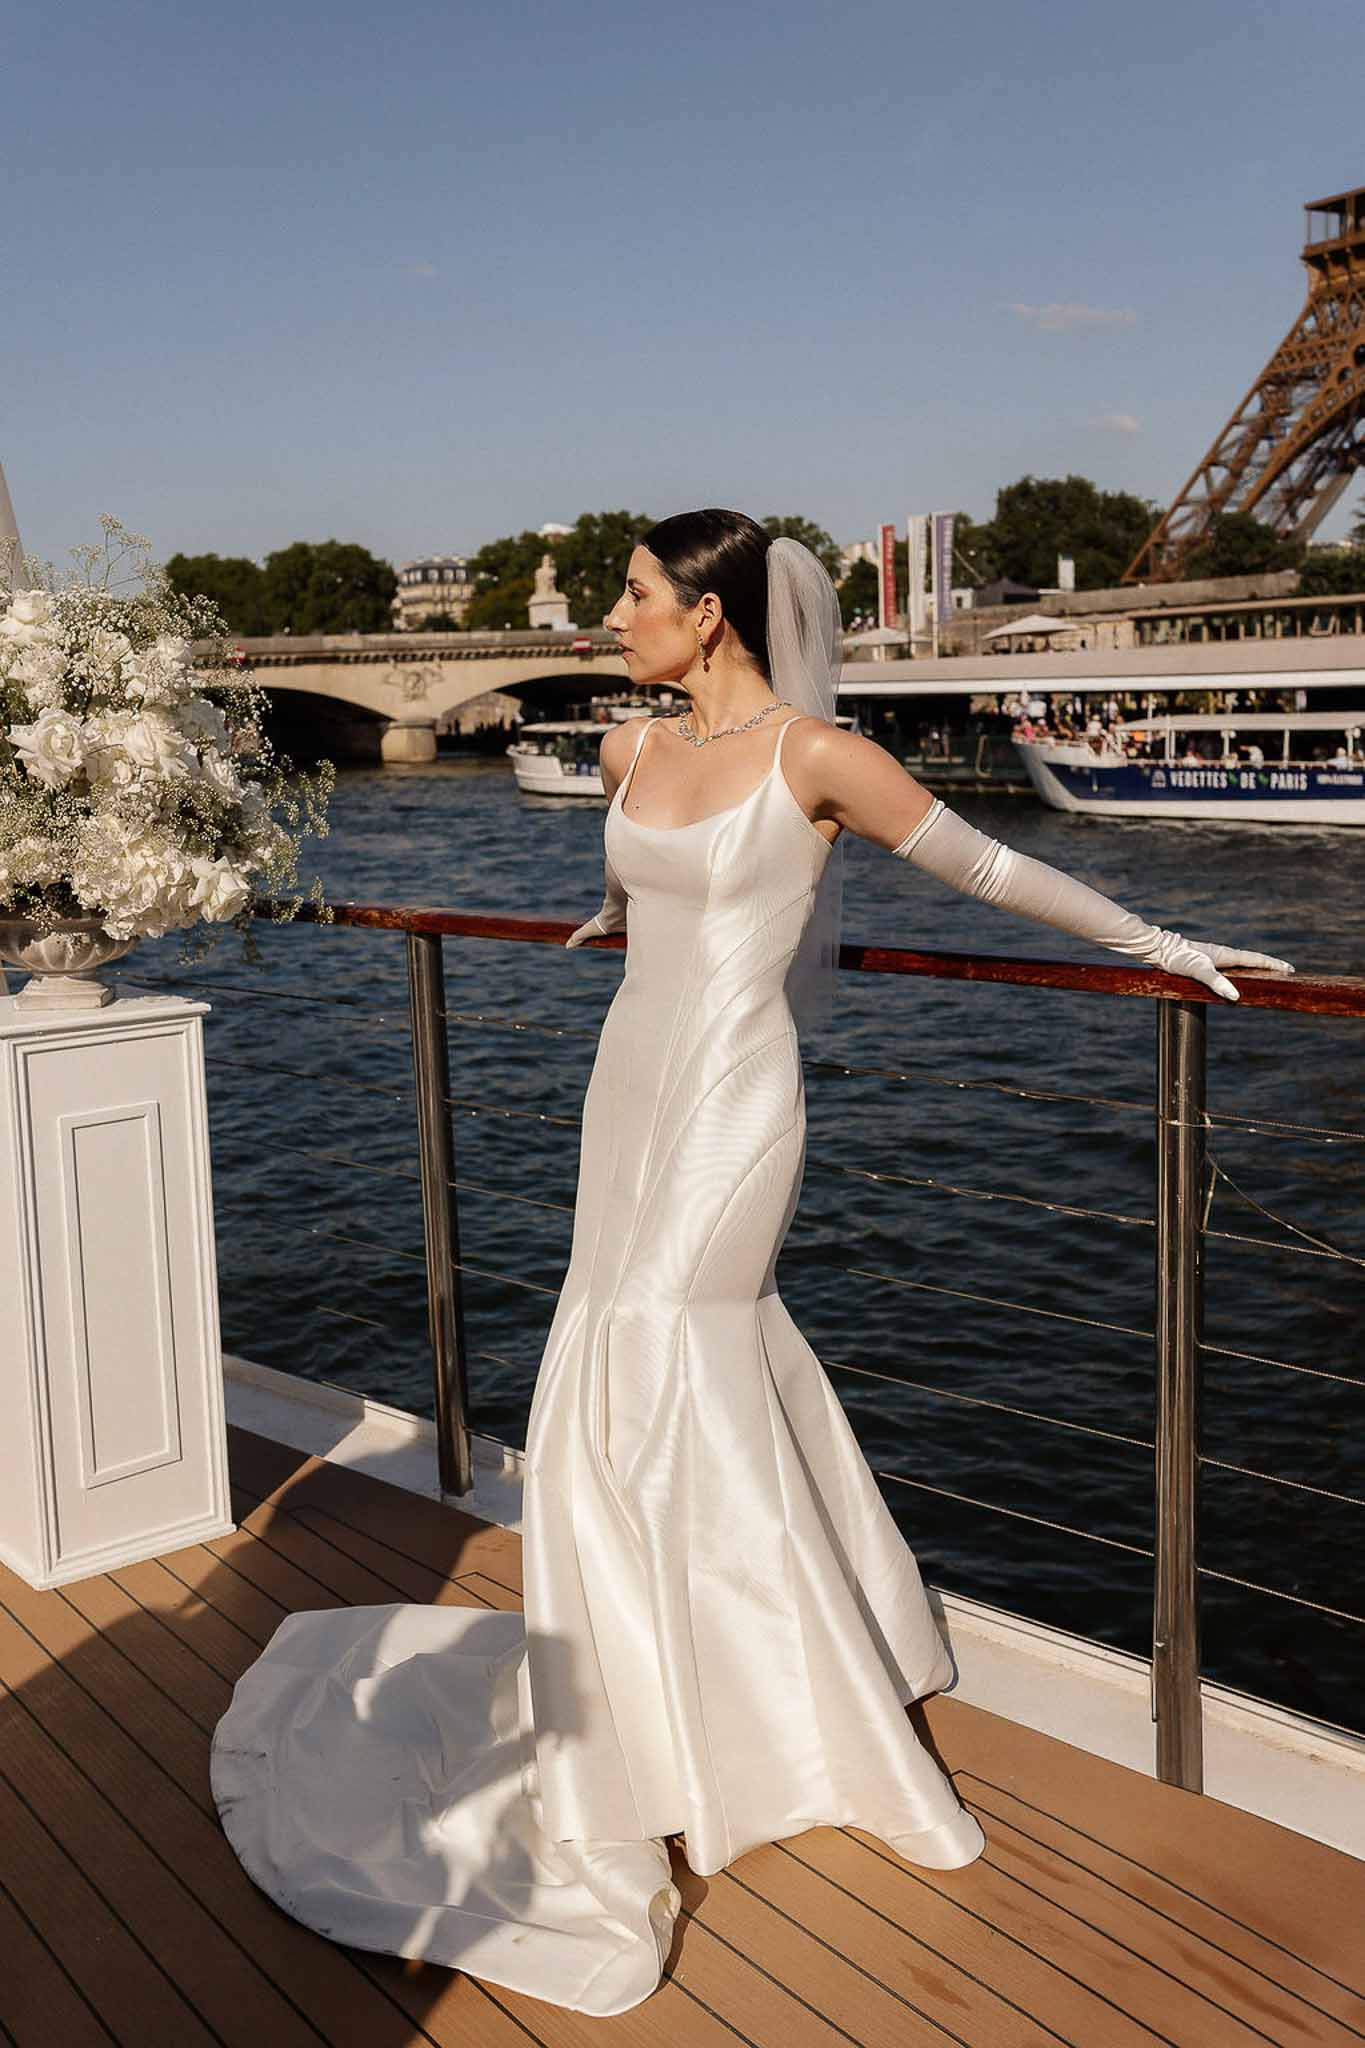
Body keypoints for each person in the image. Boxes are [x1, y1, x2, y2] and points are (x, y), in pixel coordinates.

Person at [209, 512, 1296, 2018]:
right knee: (613, 1361)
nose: (613, 614)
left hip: (734, 1103)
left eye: (637, 593)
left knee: (673, 1356)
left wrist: (1159, 939)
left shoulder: (818, 758)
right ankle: (677, 1697)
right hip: (626, 1087)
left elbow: (988, 870)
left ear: (710, 613)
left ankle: (767, 1709)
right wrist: (612, 912)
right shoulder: (621, 758)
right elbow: (641, 895)